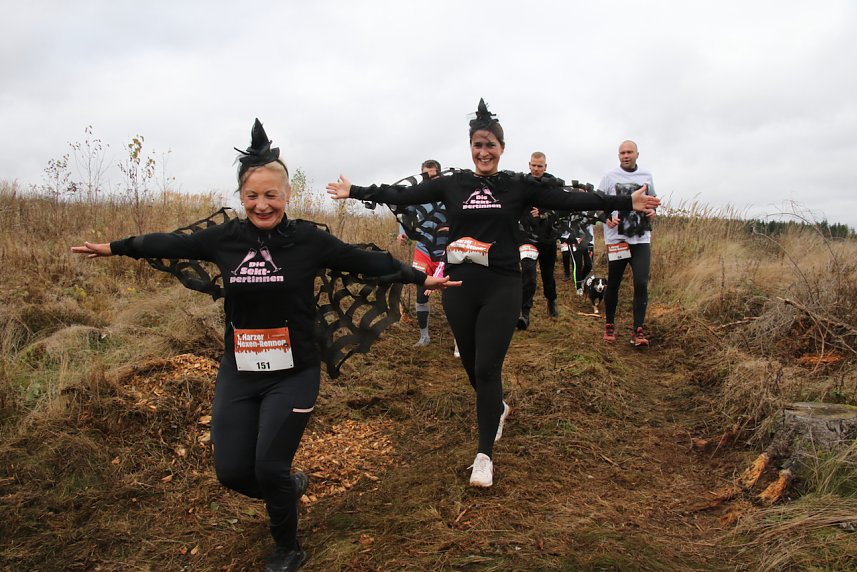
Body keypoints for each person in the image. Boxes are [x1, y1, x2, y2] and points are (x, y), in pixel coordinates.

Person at [72, 119, 458, 572]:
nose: (262, 204)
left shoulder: (308, 240)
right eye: (252, 195)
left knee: (269, 467)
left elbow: (365, 261)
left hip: (294, 371)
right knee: (233, 472)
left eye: (271, 194)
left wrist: (419, 276)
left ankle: (287, 547)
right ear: (241, 197)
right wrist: (115, 247)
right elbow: (171, 242)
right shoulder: (225, 239)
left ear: (288, 196)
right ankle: (288, 490)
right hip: (238, 370)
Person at [326, 100, 660, 487]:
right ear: (470, 149)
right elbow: (403, 196)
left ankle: (484, 455)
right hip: (458, 287)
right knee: (470, 364)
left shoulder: (516, 185)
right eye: (477, 146)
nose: (484, 152)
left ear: (502, 148)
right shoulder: (453, 184)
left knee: (487, 368)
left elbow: (571, 198)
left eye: (491, 145)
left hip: (502, 284)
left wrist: (625, 201)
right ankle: (497, 407)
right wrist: (354, 191)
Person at [598, 140, 657, 347]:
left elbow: (652, 203)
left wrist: (652, 211)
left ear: (637, 155)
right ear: (618, 155)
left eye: (629, 152)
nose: (625, 155)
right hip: (617, 240)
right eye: (622, 152)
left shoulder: (647, 176)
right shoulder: (609, 177)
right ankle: (609, 324)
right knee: (613, 282)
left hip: (641, 238)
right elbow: (598, 205)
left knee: (641, 282)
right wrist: (606, 217)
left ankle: (638, 330)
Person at [396, 160, 456, 355]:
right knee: (422, 292)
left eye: (433, 175)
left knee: (452, 296)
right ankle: (424, 336)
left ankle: (459, 340)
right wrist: (402, 232)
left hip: (447, 250)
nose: (429, 179)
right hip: (423, 248)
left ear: (439, 174)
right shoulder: (418, 194)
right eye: (425, 175)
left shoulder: (449, 192)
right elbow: (406, 215)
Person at [516, 152, 563, 330]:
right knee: (528, 271)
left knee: (547, 274)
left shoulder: (553, 186)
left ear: (545, 167)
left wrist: (543, 214)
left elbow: (560, 211)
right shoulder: (521, 185)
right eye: (533, 165)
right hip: (527, 237)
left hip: (547, 237)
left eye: (540, 166)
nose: (536, 169)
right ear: (529, 165)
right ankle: (524, 313)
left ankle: (551, 301)